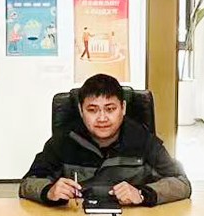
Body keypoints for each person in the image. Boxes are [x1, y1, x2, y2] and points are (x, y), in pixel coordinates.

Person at [19, 74, 192, 207]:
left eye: (110, 109)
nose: (102, 118)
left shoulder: (143, 139)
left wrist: (142, 194)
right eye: (92, 110)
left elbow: (182, 183)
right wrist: (49, 191)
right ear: (80, 110)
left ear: (123, 108)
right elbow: (27, 183)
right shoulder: (64, 140)